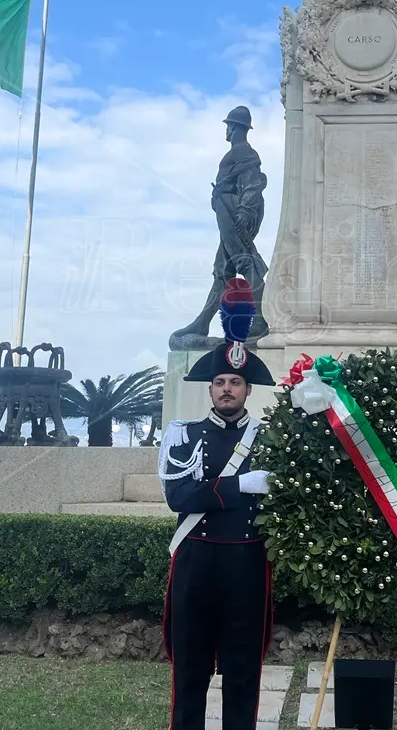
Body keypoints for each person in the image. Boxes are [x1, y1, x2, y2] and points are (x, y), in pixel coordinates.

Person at [160, 278, 276, 730]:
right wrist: (239, 486)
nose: (227, 389)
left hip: (247, 563)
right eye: (220, 382)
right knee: (189, 669)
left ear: (248, 390)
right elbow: (178, 497)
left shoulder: (271, 439)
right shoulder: (183, 434)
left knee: (243, 672)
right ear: (210, 389)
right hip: (196, 560)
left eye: (235, 383)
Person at [170, 105, 269, 348]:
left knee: (245, 261)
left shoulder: (243, 151)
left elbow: (252, 184)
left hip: (233, 210)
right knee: (223, 270)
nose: (226, 130)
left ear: (234, 127)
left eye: (228, 126)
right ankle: (203, 321)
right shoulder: (237, 151)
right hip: (226, 209)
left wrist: (244, 211)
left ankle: (261, 317)